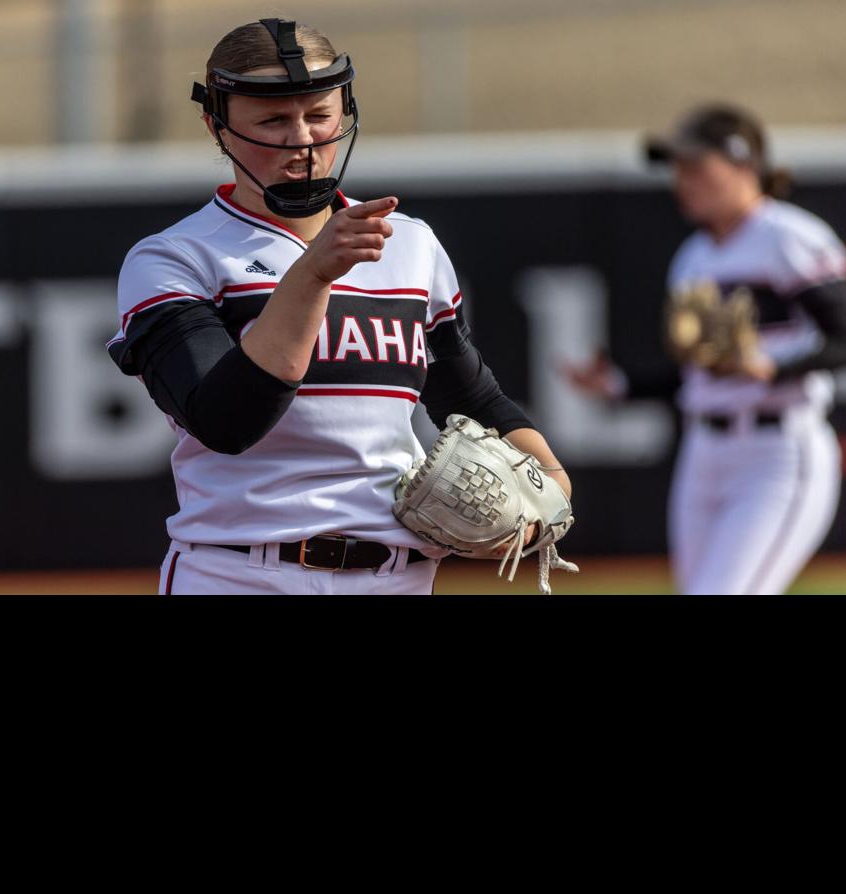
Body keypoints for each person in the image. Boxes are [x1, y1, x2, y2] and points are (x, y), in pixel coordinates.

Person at [107, 18, 571, 595]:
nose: (302, 139)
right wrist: (313, 274)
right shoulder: (173, 259)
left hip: (397, 577)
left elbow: (469, 396)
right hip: (240, 573)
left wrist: (550, 482)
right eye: (273, 119)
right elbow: (225, 421)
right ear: (217, 125)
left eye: (319, 115)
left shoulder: (409, 244)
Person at [563, 104, 846, 595]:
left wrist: (770, 366)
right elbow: (698, 375)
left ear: (744, 166)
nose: (681, 181)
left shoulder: (791, 237)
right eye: (677, 169)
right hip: (704, 451)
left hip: (777, 451)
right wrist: (620, 384)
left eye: (696, 167)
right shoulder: (694, 257)